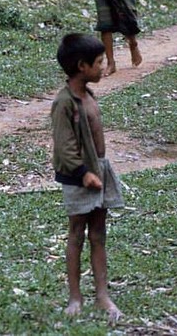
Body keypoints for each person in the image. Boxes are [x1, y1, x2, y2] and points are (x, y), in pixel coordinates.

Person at [51, 33, 125, 322]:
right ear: (82, 66)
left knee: (98, 234)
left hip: (99, 171)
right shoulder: (64, 103)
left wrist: (98, 172)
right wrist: (84, 175)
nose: (103, 67)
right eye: (98, 62)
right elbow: (64, 145)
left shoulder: (88, 95)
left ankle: (102, 295)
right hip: (79, 178)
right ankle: (75, 297)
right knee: (76, 235)